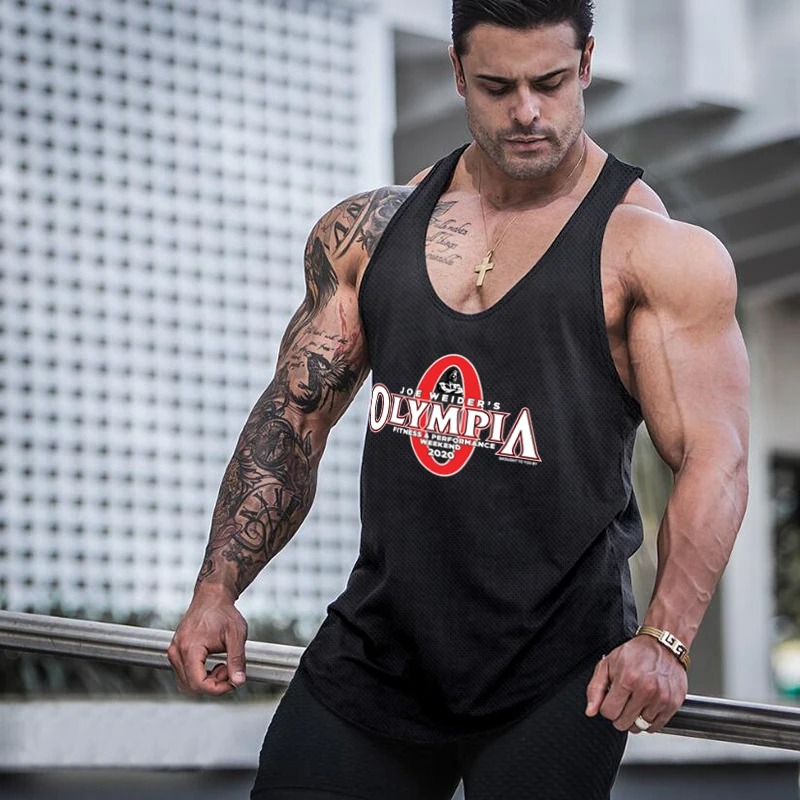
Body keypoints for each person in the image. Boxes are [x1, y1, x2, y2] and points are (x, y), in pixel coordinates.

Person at [167, 1, 751, 797]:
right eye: (497, 86)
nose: (526, 112)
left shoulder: (649, 251)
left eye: (550, 82)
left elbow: (715, 456)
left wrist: (666, 638)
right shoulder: (372, 232)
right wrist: (217, 590)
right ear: (457, 73)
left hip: (555, 670)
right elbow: (294, 416)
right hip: (379, 649)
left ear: (586, 64)